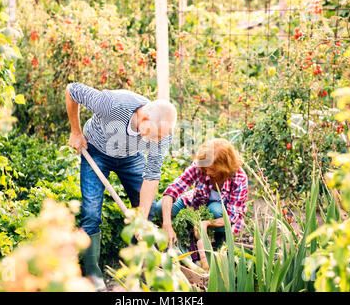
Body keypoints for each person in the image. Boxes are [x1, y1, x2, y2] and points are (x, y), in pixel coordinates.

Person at [66, 83, 177, 291]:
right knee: (90, 213)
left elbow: (152, 176)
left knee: (147, 208)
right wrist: (75, 131)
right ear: (144, 120)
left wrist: (141, 221)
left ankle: (133, 270)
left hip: (130, 156)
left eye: (162, 137)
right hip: (97, 150)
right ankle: (93, 277)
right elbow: (72, 90)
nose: (159, 141)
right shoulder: (112, 104)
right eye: (156, 136)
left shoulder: (162, 131)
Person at [149, 138, 248, 261]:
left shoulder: (239, 177)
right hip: (196, 203)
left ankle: (219, 244)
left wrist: (206, 223)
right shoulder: (201, 165)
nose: (206, 171)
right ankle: (184, 242)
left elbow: (232, 216)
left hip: (220, 215)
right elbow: (170, 192)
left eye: (212, 169)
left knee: (215, 210)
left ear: (224, 168)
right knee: (161, 208)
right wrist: (167, 223)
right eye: (205, 167)